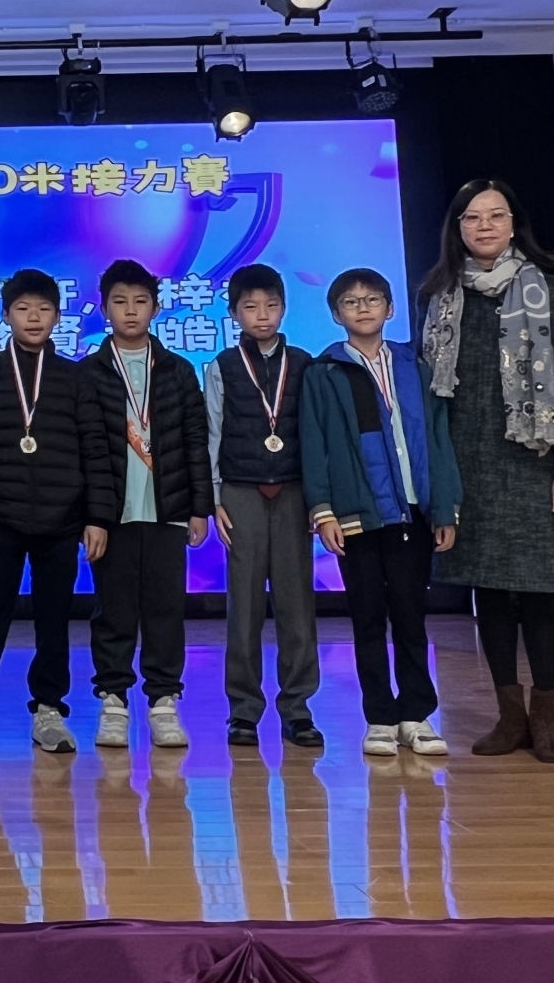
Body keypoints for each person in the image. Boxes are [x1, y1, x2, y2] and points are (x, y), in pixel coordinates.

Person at [419, 179, 554, 764]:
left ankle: (546, 714)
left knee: (541, 593)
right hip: (468, 463)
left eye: (495, 216)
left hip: (537, 461)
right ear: (457, 228)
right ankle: (509, 714)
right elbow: (430, 394)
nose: (484, 226)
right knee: (488, 591)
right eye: (472, 218)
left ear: (514, 223)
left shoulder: (553, 288)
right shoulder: (439, 294)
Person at [0, 269, 115, 757]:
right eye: (23, 309)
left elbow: (95, 450)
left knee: (54, 621)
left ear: (57, 316)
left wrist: (97, 517)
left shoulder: (76, 377)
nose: (33, 317)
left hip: (62, 520)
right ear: (6, 316)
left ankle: (49, 710)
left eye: (43, 309)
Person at [301, 268, 462, 759]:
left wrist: (445, 506)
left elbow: (438, 437)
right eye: (351, 302)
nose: (363, 308)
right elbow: (314, 443)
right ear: (336, 315)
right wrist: (323, 511)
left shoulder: (416, 367)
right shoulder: (325, 373)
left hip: (412, 511)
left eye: (372, 299)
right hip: (357, 515)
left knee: (411, 615)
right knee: (367, 617)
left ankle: (417, 714)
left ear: (390, 308)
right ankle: (379, 718)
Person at [86, 260, 212, 751]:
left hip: (168, 509)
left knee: (165, 608)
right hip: (113, 514)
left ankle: (163, 700)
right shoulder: (90, 373)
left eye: (140, 301)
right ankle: (113, 700)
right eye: (120, 302)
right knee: (113, 610)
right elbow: (86, 449)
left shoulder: (177, 370)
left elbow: (195, 440)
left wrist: (199, 506)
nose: (131, 311)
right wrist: (92, 515)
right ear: (104, 309)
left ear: (156, 308)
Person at [205, 263, 321, 747]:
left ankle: (298, 709)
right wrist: (214, 497)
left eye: (271, 305)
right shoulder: (221, 366)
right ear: (234, 313)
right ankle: (244, 710)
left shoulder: (306, 364)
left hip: (294, 492)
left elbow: (316, 436)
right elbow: (213, 433)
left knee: (297, 605)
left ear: (284, 308)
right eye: (250, 307)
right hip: (241, 492)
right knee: (245, 606)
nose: (262, 315)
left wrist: (320, 501)